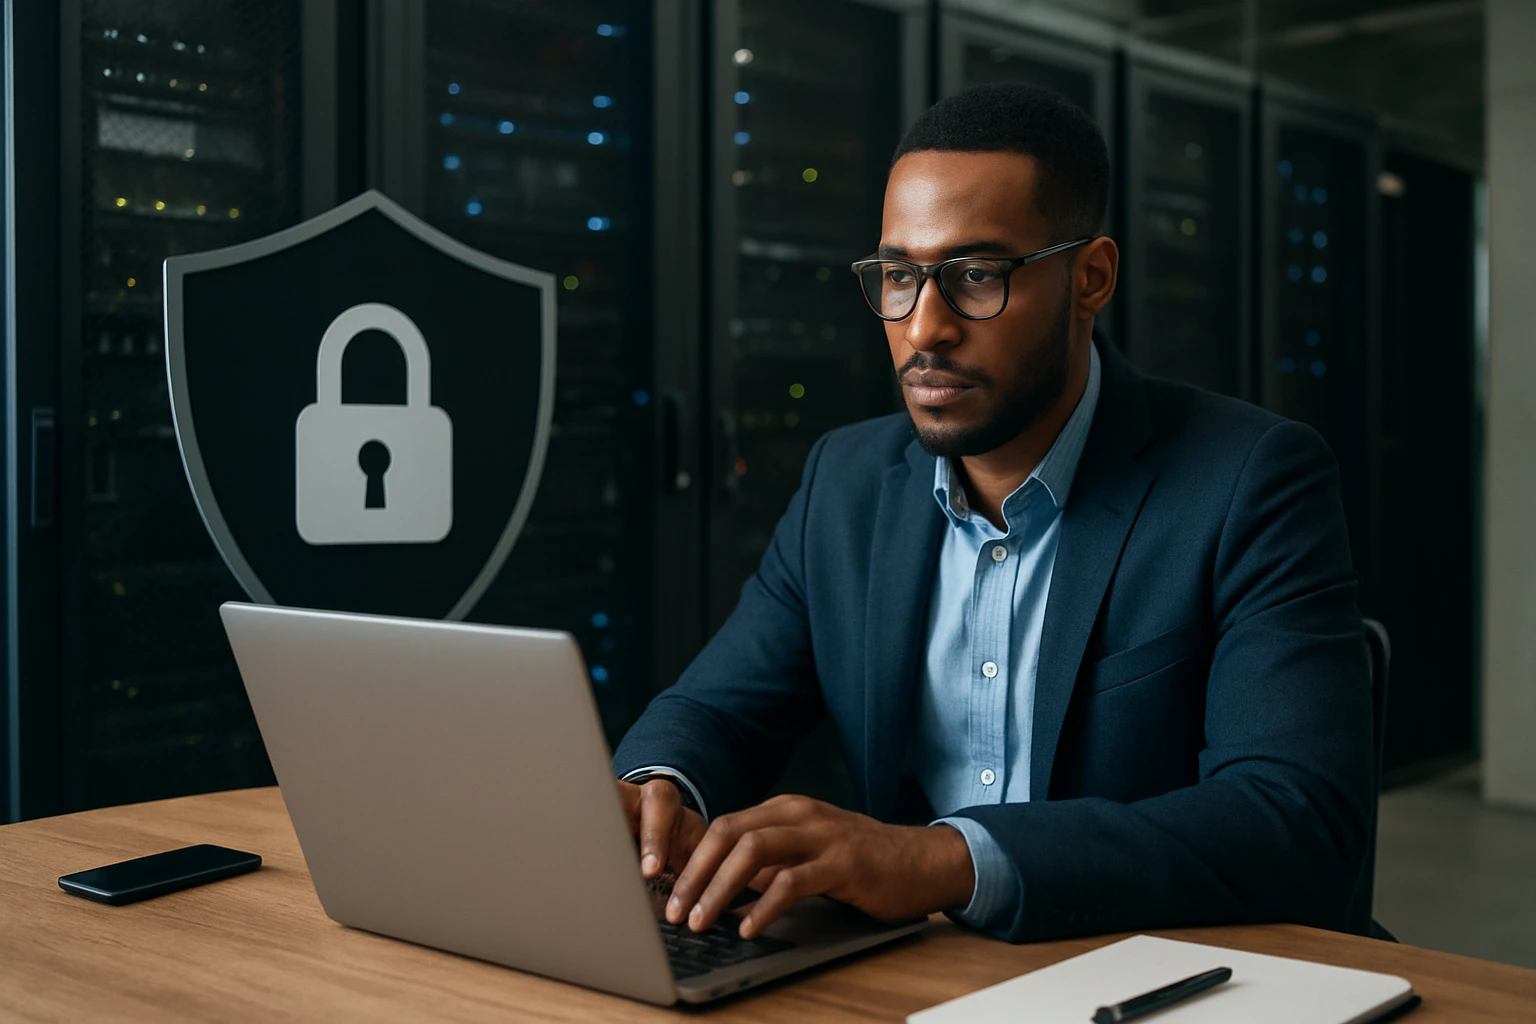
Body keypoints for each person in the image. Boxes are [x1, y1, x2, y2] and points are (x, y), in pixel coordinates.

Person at [612, 82, 1374, 945]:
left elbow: (1297, 819)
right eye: (899, 276)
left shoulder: (1251, 479)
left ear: (1090, 279)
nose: (923, 327)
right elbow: (718, 709)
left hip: (1155, 970)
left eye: (976, 276)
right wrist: (657, 789)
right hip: (921, 974)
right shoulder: (848, 481)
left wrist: (942, 861)